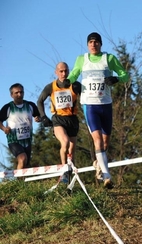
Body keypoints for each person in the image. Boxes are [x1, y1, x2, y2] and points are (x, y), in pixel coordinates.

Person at [65, 32, 129, 189]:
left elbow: (125, 75)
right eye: (90, 42)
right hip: (90, 105)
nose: (93, 45)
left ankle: (98, 164)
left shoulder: (109, 59)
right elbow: (74, 75)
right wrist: (69, 82)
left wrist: (116, 79)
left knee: (106, 141)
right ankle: (107, 176)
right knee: (98, 139)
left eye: (96, 42)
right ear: (87, 45)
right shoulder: (82, 59)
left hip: (106, 104)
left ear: (101, 44)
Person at [37, 62, 82, 184]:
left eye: (66, 71)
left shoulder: (75, 85)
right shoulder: (51, 87)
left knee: (72, 150)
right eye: (61, 71)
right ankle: (64, 171)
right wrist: (43, 117)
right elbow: (40, 101)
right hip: (58, 119)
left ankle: (70, 178)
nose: (64, 73)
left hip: (72, 119)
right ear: (56, 72)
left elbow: (87, 96)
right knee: (65, 142)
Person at [0, 83, 40, 172]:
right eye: (16, 93)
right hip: (14, 140)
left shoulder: (30, 105)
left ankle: (23, 184)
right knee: (22, 158)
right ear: (11, 95)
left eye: (21, 92)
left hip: (27, 140)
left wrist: (38, 118)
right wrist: (4, 129)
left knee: (25, 164)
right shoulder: (8, 107)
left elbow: (38, 116)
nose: (19, 95)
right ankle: (19, 183)